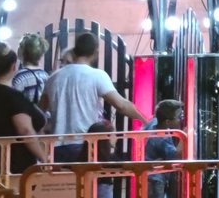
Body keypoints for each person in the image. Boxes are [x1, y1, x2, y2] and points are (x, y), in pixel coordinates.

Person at [43, 33, 145, 162]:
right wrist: (144, 120)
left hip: (57, 147)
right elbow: (121, 105)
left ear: (75, 50)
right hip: (86, 145)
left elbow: (40, 111)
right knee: (91, 181)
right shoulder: (97, 75)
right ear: (95, 52)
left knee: (64, 182)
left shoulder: (53, 78)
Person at [0, 47, 47, 178]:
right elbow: (25, 130)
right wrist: (44, 158)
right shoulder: (14, 98)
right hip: (15, 166)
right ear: (14, 66)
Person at [143, 99, 184, 198]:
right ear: (167, 122)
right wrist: (185, 135)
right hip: (155, 180)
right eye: (178, 117)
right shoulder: (162, 138)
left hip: (148, 175)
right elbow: (176, 156)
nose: (181, 120)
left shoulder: (154, 122)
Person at [11, 35, 50, 110]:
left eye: (20, 46)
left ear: (23, 52)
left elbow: (11, 103)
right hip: (42, 119)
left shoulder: (20, 77)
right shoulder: (45, 75)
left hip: (25, 119)